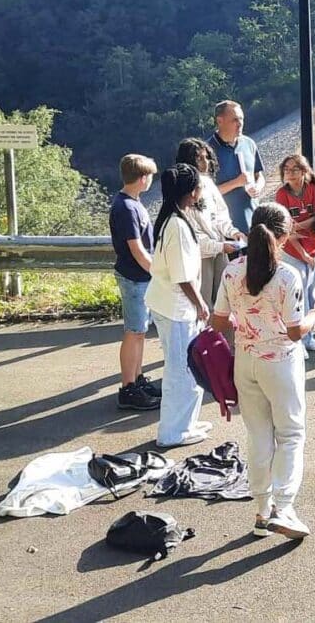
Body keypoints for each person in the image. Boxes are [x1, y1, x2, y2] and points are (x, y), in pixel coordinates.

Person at [212, 203, 315, 540]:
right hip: (280, 362)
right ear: (284, 235)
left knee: (258, 434)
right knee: (289, 434)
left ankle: (262, 511)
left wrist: (245, 319)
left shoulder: (232, 270)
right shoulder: (286, 276)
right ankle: (285, 507)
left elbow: (218, 321)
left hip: (245, 360)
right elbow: (295, 332)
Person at [144, 164, 211, 448]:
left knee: (183, 368)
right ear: (192, 192)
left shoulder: (173, 218)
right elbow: (182, 276)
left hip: (168, 304)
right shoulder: (178, 225)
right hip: (177, 308)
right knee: (182, 371)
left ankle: (186, 423)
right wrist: (201, 305)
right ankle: (174, 432)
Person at [108, 153, 161, 410]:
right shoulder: (126, 208)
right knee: (134, 332)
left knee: (139, 332)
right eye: (149, 176)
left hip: (139, 277)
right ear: (142, 178)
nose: (151, 180)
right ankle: (128, 387)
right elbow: (137, 249)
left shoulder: (132, 202)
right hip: (134, 277)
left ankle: (137, 379)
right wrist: (157, 272)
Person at [176, 138, 246, 305]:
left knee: (225, 300)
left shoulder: (208, 182)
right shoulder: (181, 189)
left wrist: (233, 232)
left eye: (206, 157)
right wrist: (219, 246)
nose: (205, 162)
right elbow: (191, 233)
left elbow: (220, 214)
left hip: (219, 249)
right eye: (199, 158)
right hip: (200, 256)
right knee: (203, 303)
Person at [275, 154, 315, 353]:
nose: (289, 173)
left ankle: (309, 337)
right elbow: (287, 232)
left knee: (312, 293)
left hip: (312, 248)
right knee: (299, 297)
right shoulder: (282, 195)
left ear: (304, 171)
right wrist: (303, 254)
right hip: (293, 252)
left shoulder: (313, 189)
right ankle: (298, 342)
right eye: (286, 170)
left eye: (294, 169)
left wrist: (299, 226)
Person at [209, 100, 266, 233]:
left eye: (241, 119)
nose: (240, 124)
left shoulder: (249, 144)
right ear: (220, 121)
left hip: (255, 224)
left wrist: (258, 187)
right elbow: (205, 194)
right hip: (227, 231)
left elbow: (259, 176)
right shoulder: (206, 152)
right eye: (235, 120)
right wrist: (236, 183)